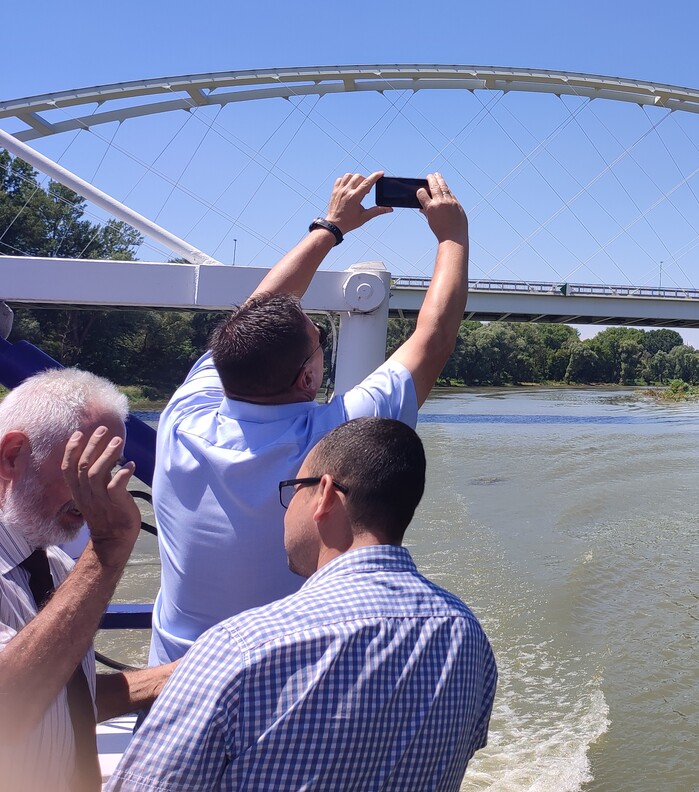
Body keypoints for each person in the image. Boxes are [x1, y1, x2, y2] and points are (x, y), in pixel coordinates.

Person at [148, 171, 469, 664]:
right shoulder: (333, 442)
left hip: (169, 683)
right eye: (319, 336)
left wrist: (330, 227)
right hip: (274, 689)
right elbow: (435, 337)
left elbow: (253, 315)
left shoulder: (182, 417)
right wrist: (452, 236)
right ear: (306, 378)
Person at [109, 417, 497, 791]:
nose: (287, 507)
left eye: (294, 488)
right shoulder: (468, 637)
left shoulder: (241, 649)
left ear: (325, 495)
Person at [0, 369, 174, 792]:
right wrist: (108, 551)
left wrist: (191, 671)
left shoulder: (52, 563)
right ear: (12, 454)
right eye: (85, 467)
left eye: (110, 469)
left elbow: (66, 694)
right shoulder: (83, 563)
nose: (103, 487)